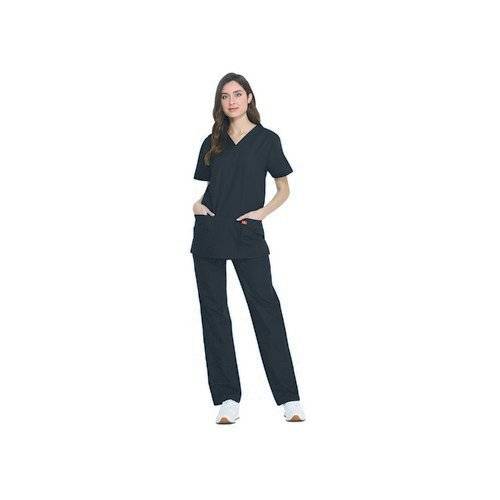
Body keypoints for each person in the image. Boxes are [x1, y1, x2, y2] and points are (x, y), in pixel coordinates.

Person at [190, 72, 306, 424]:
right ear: (219, 102)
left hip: (247, 232)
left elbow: (284, 189)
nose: (232, 101)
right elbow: (211, 188)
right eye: (225, 96)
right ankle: (227, 399)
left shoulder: (267, 140)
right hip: (209, 233)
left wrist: (262, 213)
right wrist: (196, 205)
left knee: (266, 310)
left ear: (249, 97)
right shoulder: (212, 140)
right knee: (215, 314)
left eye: (237, 94)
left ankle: (289, 399)